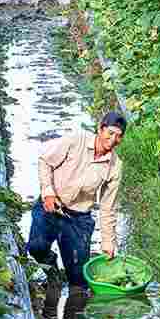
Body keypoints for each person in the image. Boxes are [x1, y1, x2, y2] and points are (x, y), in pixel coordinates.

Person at [26, 111, 125, 289]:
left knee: (78, 280)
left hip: (78, 218)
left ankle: (76, 311)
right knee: (36, 246)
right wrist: (48, 193)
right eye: (110, 133)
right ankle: (52, 270)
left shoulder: (115, 166)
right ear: (100, 129)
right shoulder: (76, 140)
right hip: (52, 206)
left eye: (118, 136)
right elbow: (45, 161)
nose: (113, 139)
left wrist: (108, 241)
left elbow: (108, 206)